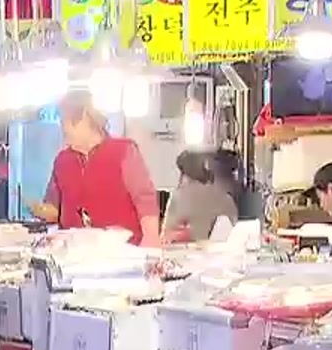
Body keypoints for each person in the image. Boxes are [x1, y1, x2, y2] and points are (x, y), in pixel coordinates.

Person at [32, 91, 161, 246]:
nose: (62, 127)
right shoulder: (62, 160)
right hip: (75, 256)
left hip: (123, 253)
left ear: (85, 118)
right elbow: (55, 209)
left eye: (65, 119)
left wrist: (151, 238)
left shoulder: (124, 151)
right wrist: (40, 211)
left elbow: (145, 199)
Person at [162, 149, 239, 243]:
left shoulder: (178, 198)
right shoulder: (227, 199)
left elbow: (165, 236)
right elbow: (236, 232)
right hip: (221, 254)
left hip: (185, 254)